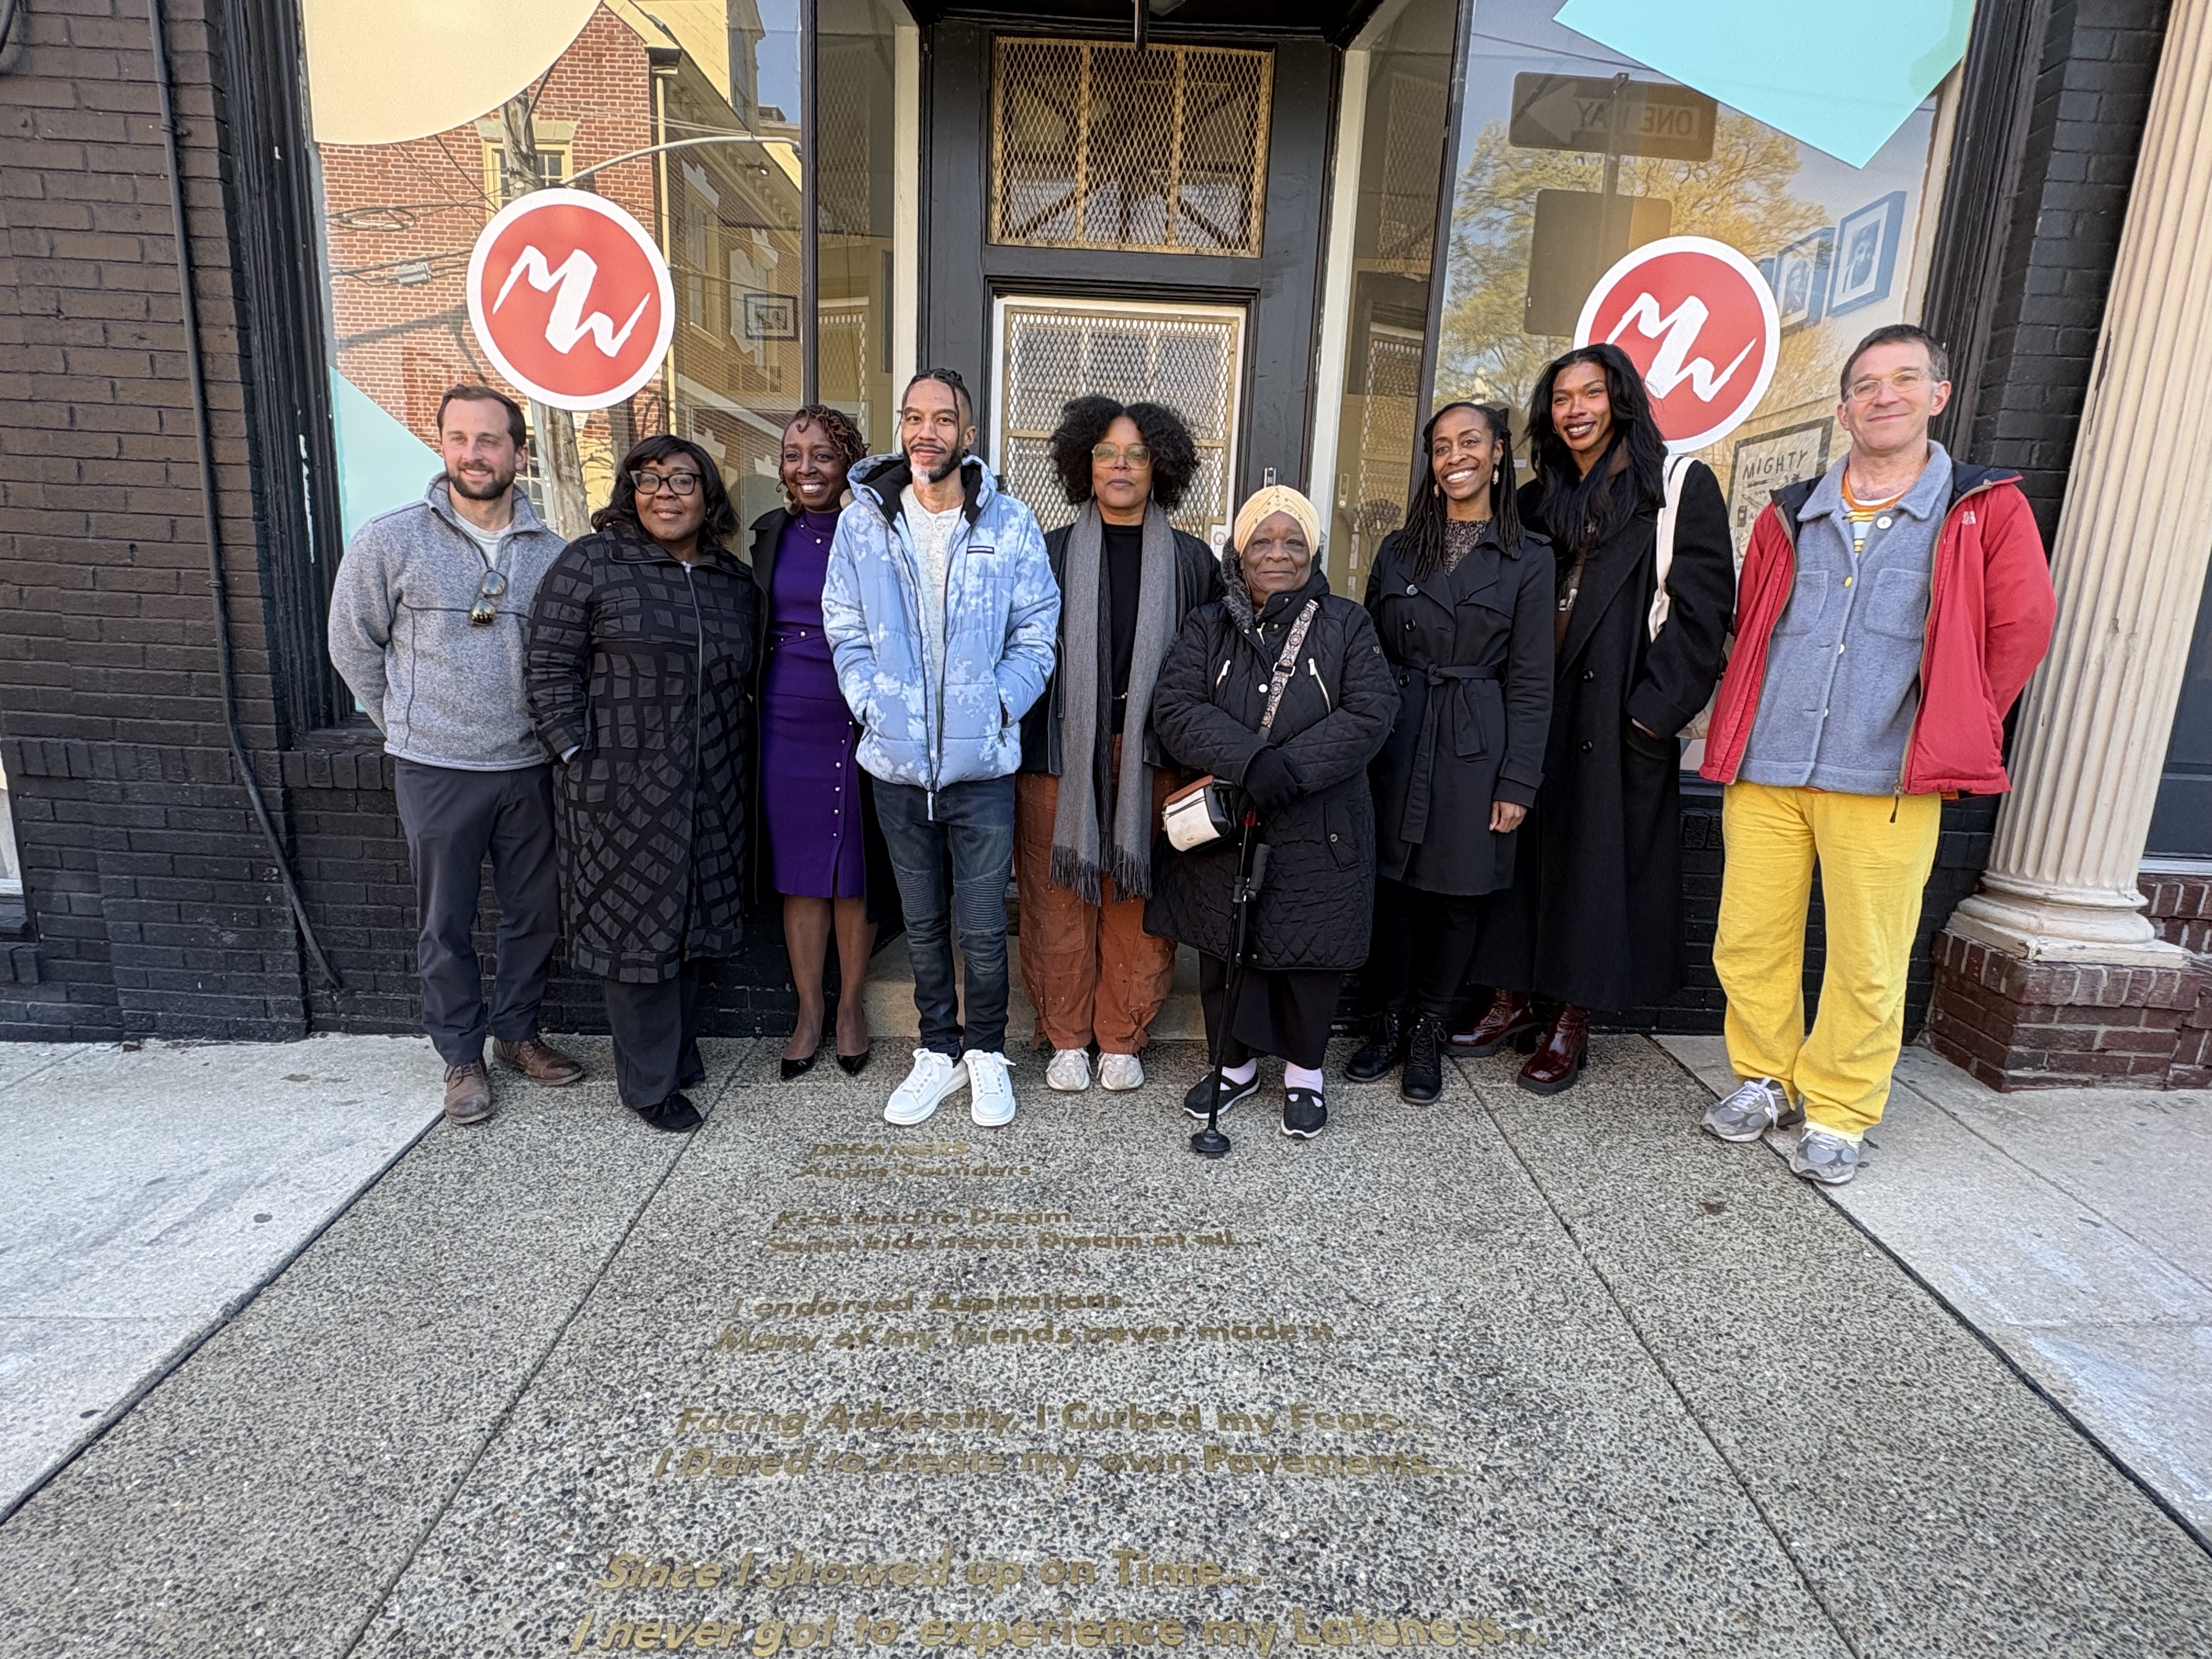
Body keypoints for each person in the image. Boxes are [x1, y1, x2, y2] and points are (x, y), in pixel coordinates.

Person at [1699, 324, 2055, 1184]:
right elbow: (1755, 628)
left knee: (1869, 954)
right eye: (1865, 385)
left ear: (1938, 395)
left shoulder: (1983, 508)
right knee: (1750, 940)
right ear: (1843, 408)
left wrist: (1959, 717)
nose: (1883, 396)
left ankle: (1843, 1108)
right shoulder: (1791, 514)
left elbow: (2022, 626)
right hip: (1770, 766)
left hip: (1890, 774)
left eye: (1904, 380)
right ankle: (1766, 1079)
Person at [1464, 343, 1734, 1092]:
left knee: (1593, 869)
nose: (1575, 409)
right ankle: (1511, 998)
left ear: (1620, 399)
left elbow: (1704, 613)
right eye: (1561, 397)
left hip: (1613, 715)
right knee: (1515, 862)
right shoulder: (1530, 501)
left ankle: (1570, 1018)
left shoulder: (1674, 487)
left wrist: (1651, 718)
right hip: (1532, 706)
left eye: (1591, 393)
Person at [328, 385, 585, 1125]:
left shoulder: (553, 555)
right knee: (447, 920)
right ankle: (460, 1055)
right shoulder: (392, 540)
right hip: (437, 767)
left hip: (529, 765)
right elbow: (353, 643)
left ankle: (515, 1032)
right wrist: (403, 724)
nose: (474, 454)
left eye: (491, 440)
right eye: (460, 439)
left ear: (519, 453)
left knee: (535, 911)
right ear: (442, 446)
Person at [821, 369, 1059, 1130]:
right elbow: (844, 624)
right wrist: (872, 704)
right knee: (922, 924)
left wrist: (996, 705)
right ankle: (937, 1049)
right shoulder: (863, 523)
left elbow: (1037, 630)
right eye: (913, 417)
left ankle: (985, 1054)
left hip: (981, 766)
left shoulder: (1010, 523)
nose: (927, 431)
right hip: (895, 763)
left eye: (943, 418)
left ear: (969, 434)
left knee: (984, 926)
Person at [524, 438, 759, 1133]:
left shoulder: (731, 581)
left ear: (707, 494)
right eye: (649, 479)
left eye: (682, 480)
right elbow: (546, 667)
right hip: (617, 789)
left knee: (689, 925)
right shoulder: (592, 564)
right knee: (636, 932)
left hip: (712, 784)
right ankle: (649, 1086)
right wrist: (576, 755)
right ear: (630, 490)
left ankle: (675, 1052)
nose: (665, 493)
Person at [1147, 486, 1396, 1139]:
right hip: (1232, 825)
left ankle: (1305, 1074)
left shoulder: (1347, 624)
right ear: (1239, 552)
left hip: (1322, 825)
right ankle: (1233, 1067)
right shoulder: (1209, 625)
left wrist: (1290, 769)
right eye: (1262, 540)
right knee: (1227, 949)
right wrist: (1251, 762)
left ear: (1311, 551)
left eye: (1293, 542)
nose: (1277, 554)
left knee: (1310, 953)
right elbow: (1175, 708)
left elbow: (1372, 711)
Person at [1016, 396, 1222, 1095]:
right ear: (1085, 464)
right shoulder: (1047, 552)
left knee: (1137, 898)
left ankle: (1122, 1035)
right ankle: (1068, 1036)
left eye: (1136, 453)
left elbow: (1210, 666)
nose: (1122, 466)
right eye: (1107, 453)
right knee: (1058, 898)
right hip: (1058, 754)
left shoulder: (1194, 561)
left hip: (1152, 757)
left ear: (1161, 464)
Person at [1348, 403, 1553, 1103]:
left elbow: (1531, 681)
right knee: (1394, 891)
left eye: (1470, 442)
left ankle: (1432, 1028)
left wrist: (1519, 780)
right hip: (1398, 738)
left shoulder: (1531, 558)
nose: (1455, 456)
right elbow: (1365, 656)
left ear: (1499, 454)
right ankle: (1389, 1021)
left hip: (1475, 741)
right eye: (1441, 446)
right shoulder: (1399, 550)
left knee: (1457, 897)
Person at [751, 404, 897, 1081]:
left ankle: (850, 1010)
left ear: (848, 463)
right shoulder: (768, 535)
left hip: (859, 709)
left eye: (822, 454)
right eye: (793, 453)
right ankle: (809, 1011)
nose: (806, 467)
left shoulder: (876, 533)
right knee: (801, 872)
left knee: (855, 866)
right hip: (787, 712)